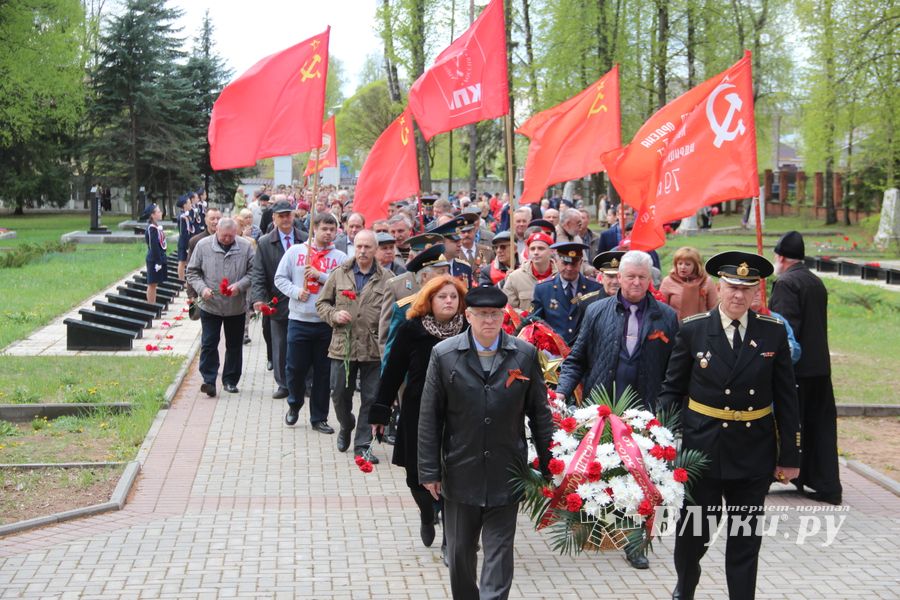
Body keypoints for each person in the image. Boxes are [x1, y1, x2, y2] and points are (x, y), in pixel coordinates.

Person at [657, 251, 801, 600]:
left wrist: (791, 454)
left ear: (756, 294)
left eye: (746, 289)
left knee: (745, 539)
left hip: (753, 451)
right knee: (693, 537)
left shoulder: (772, 333)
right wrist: (660, 444)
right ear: (719, 288)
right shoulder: (693, 330)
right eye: (732, 287)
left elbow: (787, 399)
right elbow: (672, 390)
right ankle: (685, 586)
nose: (738, 295)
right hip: (701, 450)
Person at [418, 284, 554, 600]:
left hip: (507, 469)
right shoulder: (444, 355)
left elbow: (540, 413)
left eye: (494, 314)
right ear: (468, 316)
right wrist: (429, 471)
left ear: (503, 316)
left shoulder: (523, 354)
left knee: (499, 551)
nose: (488, 321)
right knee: (461, 555)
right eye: (481, 315)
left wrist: (551, 465)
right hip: (460, 469)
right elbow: (429, 416)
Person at [555, 249, 679, 570]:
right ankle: (603, 525)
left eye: (642, 277)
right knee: (606, 470)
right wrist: (561, 393)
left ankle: (636, 542)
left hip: (645, 411)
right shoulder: (596, 311)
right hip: (602, 409)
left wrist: (664, 410)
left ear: (650, 279)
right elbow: (577, 358)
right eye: (630, 276)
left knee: (642, 477)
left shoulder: (666, 316)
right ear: (618, 278)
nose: (636, 282)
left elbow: (675, 371)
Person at [370, 275, 468, 554]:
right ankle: (427, 513)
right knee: (416, 476)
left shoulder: (469, 330)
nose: (448, 301)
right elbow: (392, 372)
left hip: (459, 414)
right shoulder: (411, 330)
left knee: (455, 475)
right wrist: (380, 411)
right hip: (418, 412)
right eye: (442, 296)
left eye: (453, 297)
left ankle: (451, 539)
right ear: (429, 300)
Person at [769, 231, 842, 504]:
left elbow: (784, 329)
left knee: (789, 425)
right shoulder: (815, 281)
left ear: (781, 258)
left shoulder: (786, 283)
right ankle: (825, 483)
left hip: (797, 369)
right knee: (819, 427)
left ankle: (781, 472)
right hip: (820, 367)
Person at [316, 230, 389, 462]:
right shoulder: (339, 274)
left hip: (373, 348)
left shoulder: (387, 278)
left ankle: (363, 445)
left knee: (371, 398)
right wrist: (334, 315)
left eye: (368, 247)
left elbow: (396, 311)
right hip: (343, 346)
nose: (363, 251)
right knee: (338, 393)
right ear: (353, 248)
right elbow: (321, 303)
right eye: (359, 246)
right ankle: (346, 425)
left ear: (375, 249)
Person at [275, 212, 347, 433]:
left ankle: (319, 417)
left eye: (332, 229)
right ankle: (294, 404)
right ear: (314, 228)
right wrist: (296, 292)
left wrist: (321, 276)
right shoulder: (296, 252)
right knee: (295, 369)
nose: (327, 233)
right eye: (324, 228)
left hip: (326, 323)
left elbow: (344, 286)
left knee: (323, 373)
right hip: (299, 320)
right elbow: (280, 278)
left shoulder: (340, 258)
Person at [186, 218, 255, 397]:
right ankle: (209, 380)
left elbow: (254, 272)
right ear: (216, 231)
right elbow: (192, 272)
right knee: (209, 343)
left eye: (231, 236)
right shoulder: (203, 245)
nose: (227, 239)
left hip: (236, 306)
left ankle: (230, 380)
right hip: (211, 305)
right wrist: (202, 289)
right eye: (224, 236)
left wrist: (239, 286)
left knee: (234, 345)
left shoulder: (245, 247)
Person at [251, 201, 307, 399]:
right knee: (280, 344)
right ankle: (283, 384)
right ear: (274, 218)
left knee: (302, 343)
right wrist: (259, 298)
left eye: (288, 215)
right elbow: (258, 273)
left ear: (293, 217)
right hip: (278, 302)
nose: (285, 219)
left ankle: (304, 383)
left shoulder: (305, 239)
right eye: (281, 216)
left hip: (303, 301)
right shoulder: (265, 242)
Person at [530, 242, 602, 346]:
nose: (569, 268)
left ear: (581, 262)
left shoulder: (595, 288)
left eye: (573, 264)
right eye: (565, 263)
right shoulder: (543, 289)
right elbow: (534, 321)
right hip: (554, 351)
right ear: (556, 262)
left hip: (584, 351)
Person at [659, 247, 719, 321]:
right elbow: (661, 309)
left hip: (702, 327)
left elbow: (714, 309)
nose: (683, 267)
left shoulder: (707, 281)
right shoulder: (668, 281)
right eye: (680, 263)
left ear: (696, 266)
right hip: (675, 327)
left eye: (687, 264)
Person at [503, 231, 558, 310]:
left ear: (552, 251)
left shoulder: (562, 275)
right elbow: (509, 308)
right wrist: (526, 318)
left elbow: (576, 299)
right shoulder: (514, 278)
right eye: (532, 249)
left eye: (541, 248)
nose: (536, 252)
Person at [142, 203, 167, 304]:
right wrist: (158, 261)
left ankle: (153, 305)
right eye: (158, 211)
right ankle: (151, 306)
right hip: (154, 259)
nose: (161, 212)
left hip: (158, 257)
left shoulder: (156, 227)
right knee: (152, 284)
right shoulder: (152, 228)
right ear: (152, 215)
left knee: (154, 284)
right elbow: (154, 246)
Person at [176, 194, 194, 281]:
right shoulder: (182, 217)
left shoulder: (186, 215)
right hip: (183, 242)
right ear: (184, 205)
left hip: (187, 240)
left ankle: (185, 280)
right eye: (189, 203)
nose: (191, 204)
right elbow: (183, 233)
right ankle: (181, 281)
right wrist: (186, 244)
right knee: (182, 262)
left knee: (185, 262)